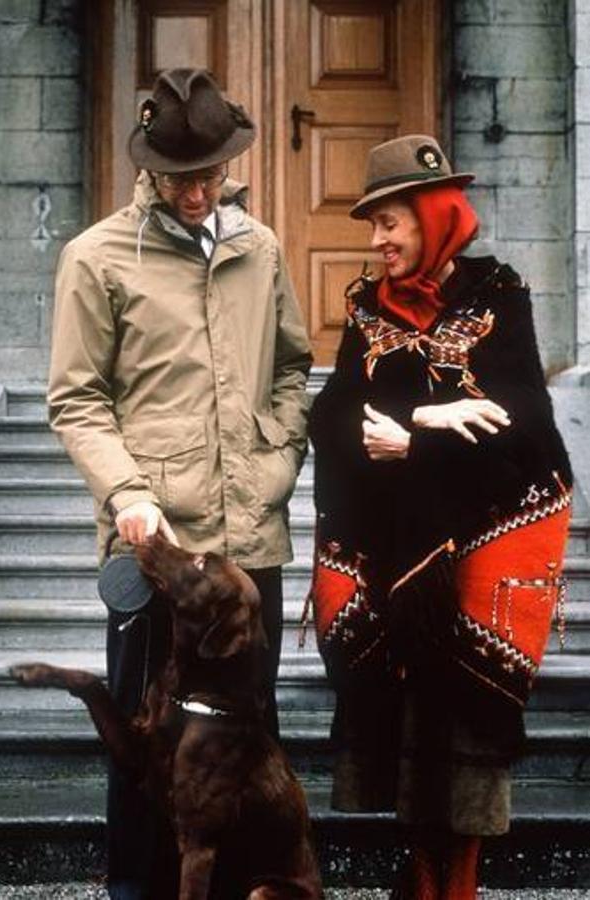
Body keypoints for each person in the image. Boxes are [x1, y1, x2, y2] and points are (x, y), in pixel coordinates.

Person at [48, 68, 312, 899]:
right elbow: (77, 398)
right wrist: (127, 492)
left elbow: (292, 371)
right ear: (147, 168)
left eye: (209, 175)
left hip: (246, 554)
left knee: (248, 754)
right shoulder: (96, 257)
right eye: (178, 177)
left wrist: (274, 465)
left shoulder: (259, 249)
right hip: (159, 553)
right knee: (147, 746)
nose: (196, 194)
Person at [307, 134, 572, 899]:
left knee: (465, 737)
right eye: (372, 227)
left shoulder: (499, 301)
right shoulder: (363, 312)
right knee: (403, 735)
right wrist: (440, 416)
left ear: (434, 217)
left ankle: (458, 885)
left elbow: (523, 430)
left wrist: (414, 433)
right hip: (393, 562)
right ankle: (419, 879)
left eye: (389, 221)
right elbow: (333, 421)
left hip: (476, 566)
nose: (378, 240)